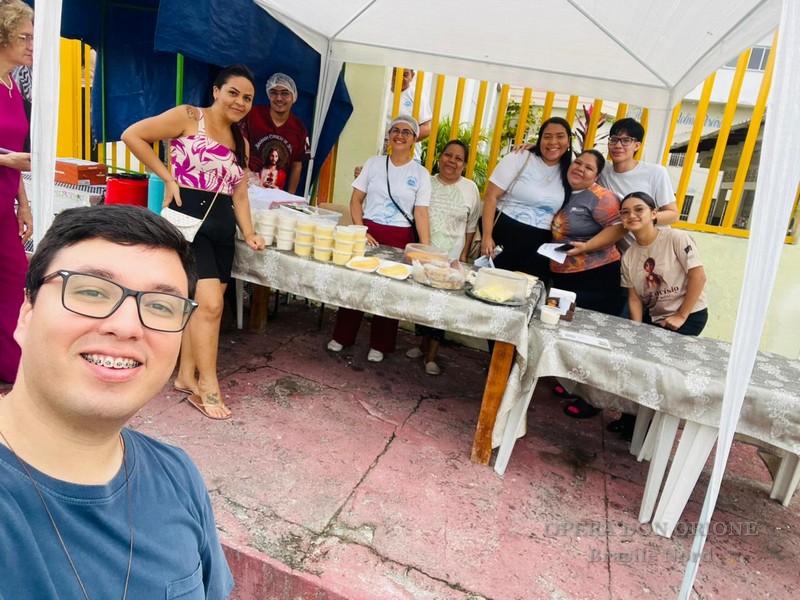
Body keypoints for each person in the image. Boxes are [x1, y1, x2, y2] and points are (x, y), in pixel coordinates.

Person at [0, 205, 234, 599]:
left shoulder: (178, 477)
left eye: (161, 306)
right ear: (27, 313)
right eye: (91, 291)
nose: (126, 327)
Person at [122, 64, 265, 420]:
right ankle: (208, 386)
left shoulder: (241, 141)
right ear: (216, 91)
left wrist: (248, 233)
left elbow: (241, 195)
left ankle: (186, 376)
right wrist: (168, 178)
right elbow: (133, 135)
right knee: (212, 306)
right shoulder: (189, 116)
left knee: (201, 307)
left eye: (247, 98)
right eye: (233, 92)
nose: (240, 101)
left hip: (222, 228)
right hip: (187, 221)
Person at [328, 115, 431, 363]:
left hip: (400, 234)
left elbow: (421, 212)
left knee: (389, 288)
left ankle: (380, 343)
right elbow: (355, 201)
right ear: (389, 135)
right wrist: (361, 230)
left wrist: (425, 249)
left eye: (406, 132)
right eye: (395, 130)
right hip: (369, 232)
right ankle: (343, 336)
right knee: (357, 283)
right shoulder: (373, 164)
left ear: (414, 139)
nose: (400, 135)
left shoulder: (420, 173)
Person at [548, 150, 626, 418]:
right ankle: (571, 385)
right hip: (562, 275)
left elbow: (620, 228)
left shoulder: (602, 197)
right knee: (564, 330)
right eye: (578, 163)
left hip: (597, 276)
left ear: (597, 175)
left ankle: (591, 399)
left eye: (588, 167)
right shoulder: (562, 190)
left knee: (592, 338)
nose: (580, 169)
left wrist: (587, 247)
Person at [405, 140, 481, 375]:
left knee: (440, 306)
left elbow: (470, 226)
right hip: (424, 254)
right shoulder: (426, 182)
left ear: (465, 164)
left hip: (451, 258)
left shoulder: (471, 189)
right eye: (448, 155)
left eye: (459, 158)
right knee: (422, 301)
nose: (452, 161)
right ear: (440, 157)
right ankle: (422, 344)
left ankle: (432, 355)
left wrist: (464, 255)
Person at [481, 117, 573, 279]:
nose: (553, 142)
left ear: (568, 141)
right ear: (539, 139)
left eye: (560, 136)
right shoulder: (519, 157)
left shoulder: (571, 170)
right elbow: (490, 197)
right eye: (547, 136)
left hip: (539, 246)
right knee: (492, 287)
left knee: (526, 294)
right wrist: (487, 237)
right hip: (503, 237)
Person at [0, 0, 33, 383]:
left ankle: (12, 367)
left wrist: (23, 204)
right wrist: (10, 162)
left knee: (15, 279)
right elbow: (14, 156)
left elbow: (16, 150)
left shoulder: (13, 86)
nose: (30, 46)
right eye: (23, 37)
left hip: (4, 206)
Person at [620, 191, 708, 334]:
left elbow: (698, 276)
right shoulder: (628, 256)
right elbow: (634, 298)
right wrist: (636, 330)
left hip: (689, 315)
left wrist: (681, 315)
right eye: (625, 212)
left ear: (654, 213)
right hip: (656, 318)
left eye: (639, 209)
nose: (631, 215)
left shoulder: (676, 238)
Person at [599, 117, 679, 249]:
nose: (618, 145)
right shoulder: (602, 171)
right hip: (628, 255)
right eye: (614, 140)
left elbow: (673, 215)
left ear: (637, 145)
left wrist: (639, 219)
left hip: (659, 247)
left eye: (626, 141)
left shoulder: (655, 172)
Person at [241, 72, 310, 195]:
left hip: (275, 197)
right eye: (274, 92)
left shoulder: (300, 129)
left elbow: (297, 165)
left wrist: (290, 197)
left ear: (293, 96)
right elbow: (239, 145)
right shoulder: (253, 115)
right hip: (246, 190)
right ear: (268, 95)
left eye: (285, 93)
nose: (279, 98)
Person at [385, 68, 432, 160]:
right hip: (383, 153)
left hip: (410, 155)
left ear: (412, 76)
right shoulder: (384, 92)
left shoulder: (416, 95)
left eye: (405, 75)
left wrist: (404, 141)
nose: (400, 78)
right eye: (395, 73)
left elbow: (427, 128)